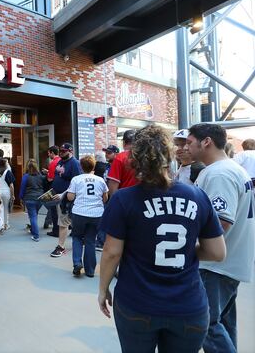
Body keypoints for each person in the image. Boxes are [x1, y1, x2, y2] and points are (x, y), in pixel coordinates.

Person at [99, 125, 226, 353]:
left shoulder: (123, 200)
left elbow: (111, 252)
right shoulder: (197, 196)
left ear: (134, 158)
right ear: (170, 156)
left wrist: (103, 289)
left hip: (137, 304)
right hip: (189, 307)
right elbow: (217, 252)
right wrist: (188, 251)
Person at [186, 124, 255, 353]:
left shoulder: (220, 173)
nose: (186, 147)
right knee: (222, 323)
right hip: (228, 262)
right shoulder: (226, 169)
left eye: (189, 142)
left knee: (205, 325)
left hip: (216, 266)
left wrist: (193, 248)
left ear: (206, 142)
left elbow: (221, 223)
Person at [67, 155, 108, 277]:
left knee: (77, 237)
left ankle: (77, 263)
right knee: (90, 240)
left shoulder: (76, 179)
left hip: (79, 212)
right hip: (96, 214)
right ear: (93, 166)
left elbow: (70, 197)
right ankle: (90, 270)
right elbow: (105, 198)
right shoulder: (100, 180)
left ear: (81, 166)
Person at [49, 143, 82, 258]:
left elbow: (77, 183)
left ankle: (61, 246)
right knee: (68, 222)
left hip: (68, 199)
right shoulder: (61, 161)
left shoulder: (75, 163)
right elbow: (58, 176)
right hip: (59, 196)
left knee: (63, 222)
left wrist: (63, 194)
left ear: (70, 151)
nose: (61, 152)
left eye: (64, 151)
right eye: (60, 150)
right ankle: (80, 239)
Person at [96, 145, 120, 251]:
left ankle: (102, 242)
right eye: (106, 152)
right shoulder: (107, 166)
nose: (106, 154)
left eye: (109, 153)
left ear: (116, 154)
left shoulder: (118, 166)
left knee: (107, 220)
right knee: (104, 219)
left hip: (114, 197)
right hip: (106, 196)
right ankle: (101, 241)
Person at [19, 159, 45, 242]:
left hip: (29, 199)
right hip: (40, 198)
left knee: (33, 216)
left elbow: (22, 189)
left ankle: (36, 235)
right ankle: (33, 230)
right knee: (35, 215)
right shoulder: (41, 176)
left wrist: (21, 198)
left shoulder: (26, 177)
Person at [107, 131, 137, 196]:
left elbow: (113, 187)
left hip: (126, 200)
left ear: (124, 142)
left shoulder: (120, 157)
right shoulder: (144, 157)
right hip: (143, 201)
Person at [42, 146, 60, 234]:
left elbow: (50, 179)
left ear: (52, 153)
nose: (48, 155)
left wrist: (47, 174)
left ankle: (55, 229)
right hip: (62, 188)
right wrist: (48, 171)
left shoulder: (53, 163)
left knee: (51, 206)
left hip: (54, 188)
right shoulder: (61, 161)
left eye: (49, 153)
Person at [0, 158, 15, 233]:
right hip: (6, 191)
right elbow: (11, 185)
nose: (8, 164)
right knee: (6, 208)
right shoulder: (8, 172)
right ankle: (6, 224)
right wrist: (13, 195)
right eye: (7, 162)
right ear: (5, 164)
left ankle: (0, 225)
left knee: (0, 208)